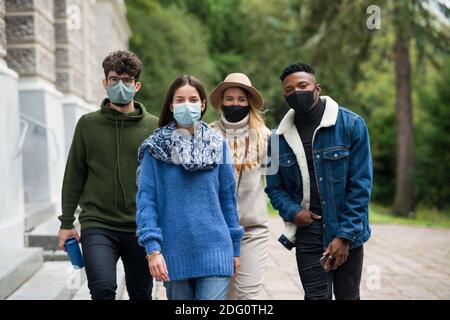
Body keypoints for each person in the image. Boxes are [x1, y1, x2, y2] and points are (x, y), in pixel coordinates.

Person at [265, 62, 372, 300]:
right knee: (315, 297)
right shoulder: (274, 140)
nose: (296, 92)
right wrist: (294, 213)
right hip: (307, 231)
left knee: (348, 296)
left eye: (302, 85)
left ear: (317, 88)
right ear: (284, 95)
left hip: (347, 230)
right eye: (289, 90)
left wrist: (344, 236)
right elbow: (273, 188)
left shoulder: (352, 124)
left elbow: (361, 186)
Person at [57, 50, 159, 300]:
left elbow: (163, 181)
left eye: (126, 80)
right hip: (98, 224)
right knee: (102, 290)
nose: (120, 85)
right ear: (105, 83)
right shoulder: (87, 124)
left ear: (137, 85)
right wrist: (66, 222)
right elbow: (74, 175)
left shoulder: (154, 127)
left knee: (141, 294)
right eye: (114, 79)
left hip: (140, 227)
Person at [136, 74, 244, 300]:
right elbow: (147, 202)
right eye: (181, 99)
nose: (188, 105)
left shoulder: (218, 146)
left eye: (194, 100)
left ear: (203, 104)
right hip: (173, 253)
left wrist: (235, 247)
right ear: (171, 105)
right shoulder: (154, 149)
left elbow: (227, 200)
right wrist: (152, 249)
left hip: (216, 249)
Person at [209, 73, 271, 300]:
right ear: (222, 102)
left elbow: (277, 183)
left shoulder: (265, 137)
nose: (235, 104)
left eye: (241, 99)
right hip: (216, 231)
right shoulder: (208, 135)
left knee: (247, 295)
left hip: (252, 230)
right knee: (220, 296)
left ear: (249, 103)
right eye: (229, 99)